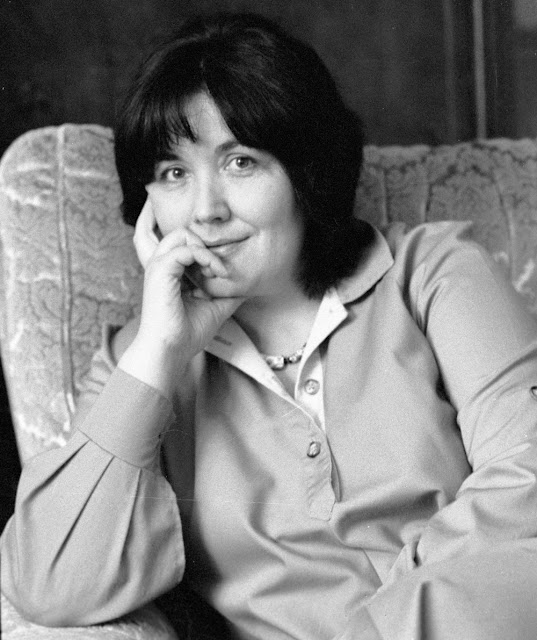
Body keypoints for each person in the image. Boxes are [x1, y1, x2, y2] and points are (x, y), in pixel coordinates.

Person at [2, 12, 537, 640]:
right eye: (174, 173)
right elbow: (51, 585)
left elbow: (526, 481)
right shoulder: (139, 364)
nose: (205, 211)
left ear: (307, 172)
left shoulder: (434, 274)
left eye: (240, 163)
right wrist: (160, 353)